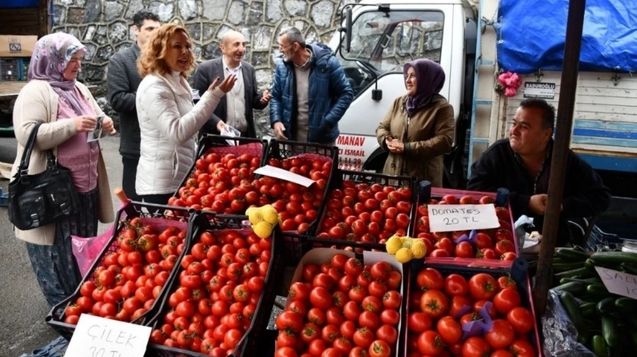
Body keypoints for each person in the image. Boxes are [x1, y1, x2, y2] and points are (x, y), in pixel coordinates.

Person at [11, 32, 115, 307]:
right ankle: (63, 310)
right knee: (57, 256)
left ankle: (80, 301)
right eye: (73, 60)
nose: (78, 66)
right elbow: (26, 134)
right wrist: (72, 126)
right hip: (55, 191)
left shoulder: (78, 88)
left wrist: (104, 123)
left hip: (85, 189)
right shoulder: (35, 91)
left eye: (80, 60)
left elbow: (94, 115)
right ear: (53, 60)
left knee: (81, 249)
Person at [467, 98, 611, 246]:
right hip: (502, 241)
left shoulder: (563, 159)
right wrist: (526, 202)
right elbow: (474, 191)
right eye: (514, 123)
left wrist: (560, 205)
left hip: (550, 245)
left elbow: (601, 197)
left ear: (546, 134)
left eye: (524, 126)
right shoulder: (498, 154)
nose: (514, 131)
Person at [135, 23, 236, 205]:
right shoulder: (154, 86)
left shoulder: (178, 81)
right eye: (177, 46)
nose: (185, 52)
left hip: (179, 179)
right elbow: (177, 133)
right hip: (161, 186)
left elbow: (189, 130)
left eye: (188, 46)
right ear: (160, 49)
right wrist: (213, 96)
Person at [107, 11, 160, 202]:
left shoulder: (166, 59)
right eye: (149, 29)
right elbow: (118, 100)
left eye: (158, 29)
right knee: (134, 207)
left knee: (160, 209)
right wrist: (153, 97)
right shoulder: (120, 61)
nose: (155, 33)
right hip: (135, 146)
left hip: (163, 147)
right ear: (135, 31)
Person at [376, 59, 455, 187]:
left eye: (413, 76)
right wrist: (386, 140)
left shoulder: (441, 108)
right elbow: (382, 127)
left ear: (427, 79)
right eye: (406, 76)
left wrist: (407, 148)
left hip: (422, 181)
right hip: (392, 177)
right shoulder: (399, 102)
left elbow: (444, 141)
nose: (407, 80)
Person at [270, 27, 353, 145]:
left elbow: (346, 93)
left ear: (295, 46)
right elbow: (276, 97)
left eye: (282, 46)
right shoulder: (282, 66)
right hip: (291, 140)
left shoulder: (327, 64)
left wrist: (328, 121)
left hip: (321, 140)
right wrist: (276, 120)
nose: (280, 50)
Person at [192, 30, 271, 138]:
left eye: (244, 44)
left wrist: (262, 100)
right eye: (236, 44)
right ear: (223, 47)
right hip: (215, 137)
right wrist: (217, 123)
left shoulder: (249, 70)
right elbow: (197, 102)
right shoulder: (205, 69)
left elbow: (253, 101)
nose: (242, 49)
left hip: (245, 138)